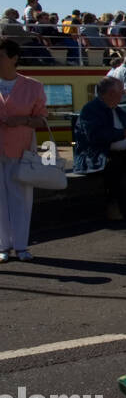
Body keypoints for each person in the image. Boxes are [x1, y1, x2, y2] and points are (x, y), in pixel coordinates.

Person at [73, 76, 126, 221]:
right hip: (96, 154)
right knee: (114, 165)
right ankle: (112, 205)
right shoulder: (90, 110)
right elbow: (95, 136)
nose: (123, 95)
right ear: (110, 93)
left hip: (120, 151)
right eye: (121, 92)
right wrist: (123, 133)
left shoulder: (119, 111)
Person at [0, 38, 48, 261]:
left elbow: (41, 119)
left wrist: (22, 120)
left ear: (14, 58)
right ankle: (2, 246)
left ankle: (21, 246)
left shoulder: (33, 86)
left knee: (21, 198)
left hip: (21, 150)